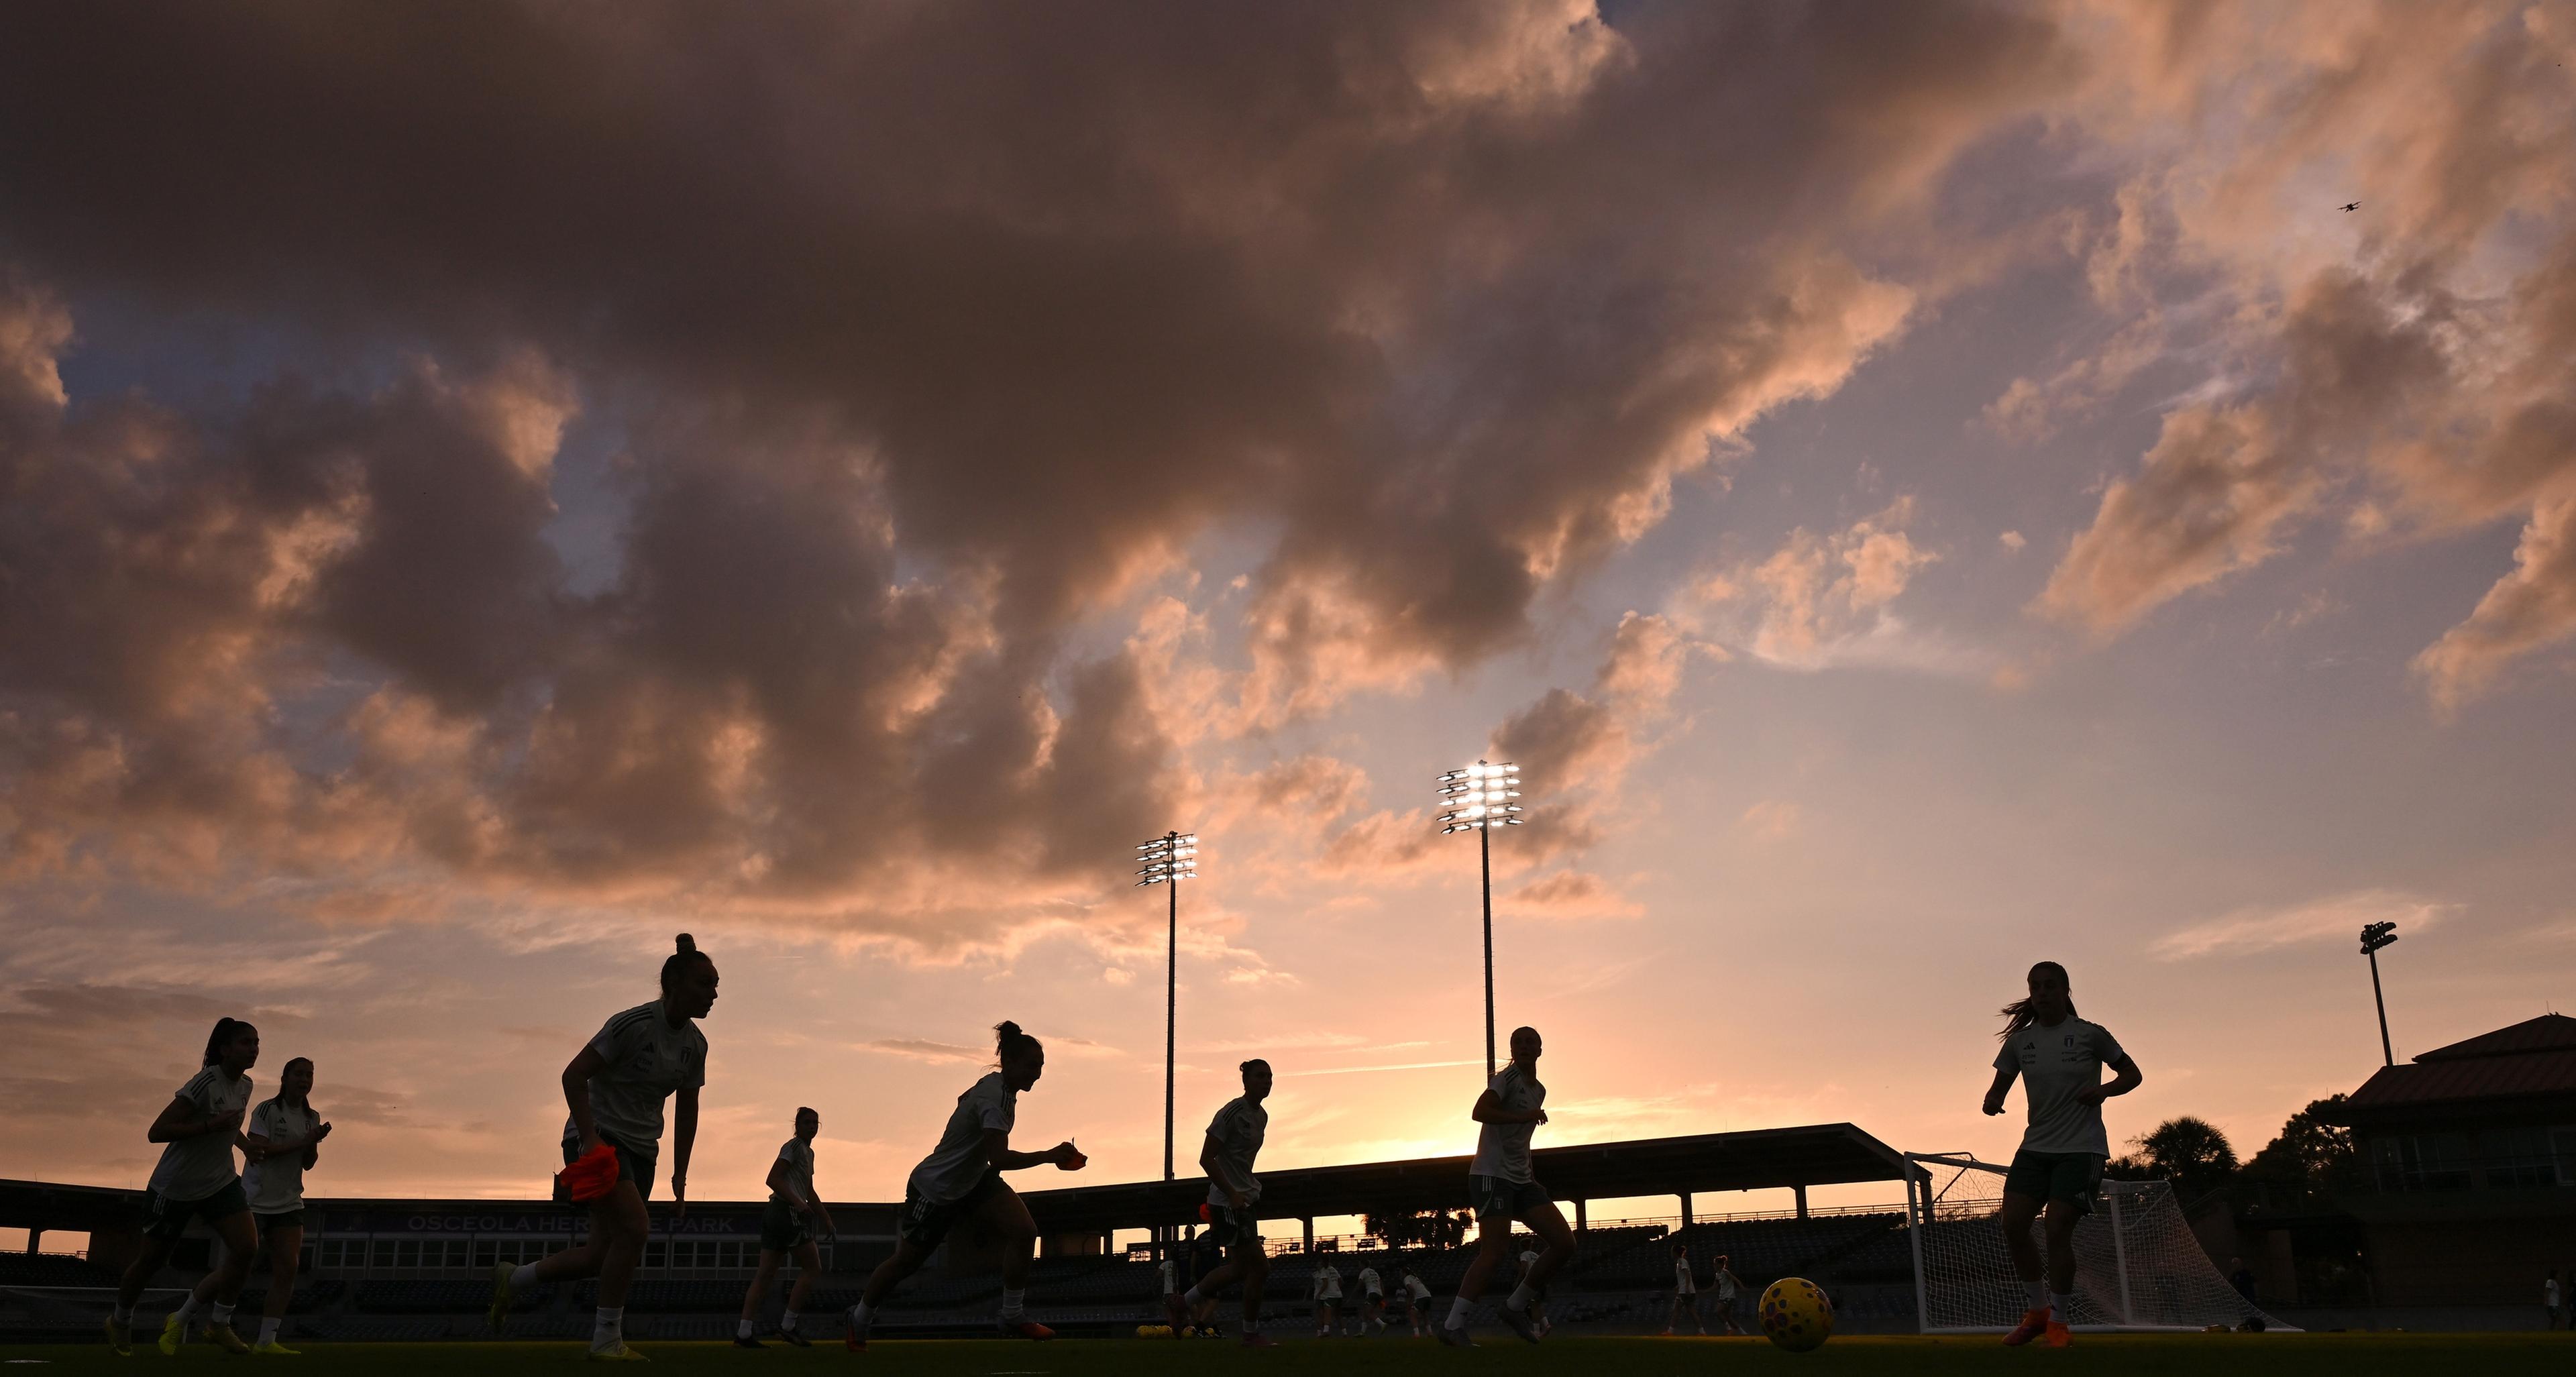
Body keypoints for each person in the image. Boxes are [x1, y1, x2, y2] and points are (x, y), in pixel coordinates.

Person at [488, 932, 718, 1360]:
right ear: (674, 984)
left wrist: (680, 1176)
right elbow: (573, 1075)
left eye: (716, 984)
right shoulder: (632, 1025)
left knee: (600, 1255)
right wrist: (591, 1139)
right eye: (705, 984)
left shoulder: (696, 1046)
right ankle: (606, 1339)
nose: (714, 994)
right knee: (635, 1229)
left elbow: (689, 1111)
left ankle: (514, 1279)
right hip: (599, 1137)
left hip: (642, 1148)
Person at [845, 1021, 1085, 1350]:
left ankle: (1013, 1314)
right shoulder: (996, 1097)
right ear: (1010, 1063)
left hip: (973, 1180)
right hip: (936, 1190)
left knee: (1025, 1231)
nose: (1038, 1074)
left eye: (1041, 1067)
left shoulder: (996, 1087)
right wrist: (1049, 1156)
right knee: (906, 1263)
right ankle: (859, 1318)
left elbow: (964, 1100)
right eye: (1033, 1066)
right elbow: (999, 1158)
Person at [1981, 960, 2142, 1350]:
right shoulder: (2021, 1042)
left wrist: (2104, 1091)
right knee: (2014, 1224)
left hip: (2081, 1149)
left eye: (2049, 985)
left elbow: (2132, 1075)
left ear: (2066, 990)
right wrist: (1992, 1100)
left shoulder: (2091, 1035)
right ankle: (2036, 1313)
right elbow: (1998, 1087)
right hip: (2035, 1148)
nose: (2041, 992)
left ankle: (2060, 1320)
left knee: (2056, 1228)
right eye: (2035, 986)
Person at [109, 1019, 263, 1357]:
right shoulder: (204, 1083)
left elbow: (229, 1124)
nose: (253, 1049)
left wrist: (244, 1146)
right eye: (245, 1043)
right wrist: (208, 1126)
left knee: (247, 1248)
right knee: (151, 1261)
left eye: (256, 1042)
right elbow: (157, 1131)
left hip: (220, 1182)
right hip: (175, 1187)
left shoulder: (247, 1085)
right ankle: (120, 1320)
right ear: (224, 1049)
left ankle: (219, 1324)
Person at [1440, 1026, 1578, 1346]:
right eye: (1518, 1042)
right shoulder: (1506, 1079)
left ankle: (1514, 1307)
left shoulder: (1539, 1090)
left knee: (1565, 1243)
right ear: (1512, 1050)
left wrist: (1530, 1172)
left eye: (1531, 1042)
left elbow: (1521, 1141)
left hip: (1522, 1179)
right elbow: (1480, 1112)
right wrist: (1522, 1116)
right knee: (1495, 1253)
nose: (1525, 1046)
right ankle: (1452, 1325)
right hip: (1492, 1175)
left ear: (1541, 1050)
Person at [1165, 1059, 1277, 1347]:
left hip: (1243, 1200)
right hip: (1227, 1202)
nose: (1266, 1081)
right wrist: (1232, 1193)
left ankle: (1181, 1303)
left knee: (1239, 1270)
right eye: (1260, 1076)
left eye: (1270, 1077)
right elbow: (1206, 1159)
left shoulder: (1261, 1116)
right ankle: (1250, 1334)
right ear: (1246, 1081)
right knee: (1260, 1269)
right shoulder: (1229, 1114)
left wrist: (1244, 1192)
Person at [242, 1056, 332, 1354]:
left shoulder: (313, 1117)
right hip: (255, 1200)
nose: (305, 1080)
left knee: (289, 1268)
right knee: (239, 1267)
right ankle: (191, 1315)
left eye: (310, 1075)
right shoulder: (267, 1109)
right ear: (284, 1078)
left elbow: (308, 1164)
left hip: (290, 1202)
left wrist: (313, 1142)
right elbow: (259, 1150)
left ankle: (266, 1341)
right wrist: (303, 1141)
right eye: (299, 1074)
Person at [737, 1107, 835, 1347]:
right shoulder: (792, 1147)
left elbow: (809, 1190)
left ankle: (744, 1333)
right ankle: (788, 1326)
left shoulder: (807, 1153)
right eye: (807, 1123)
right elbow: (773, 1179)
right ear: (797, 1127)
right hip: (784, 1211)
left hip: (778, 1213)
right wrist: (798, 1203)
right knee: (813, 1267)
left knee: (766, 1274)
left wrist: (826, 1219)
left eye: (815, 1123)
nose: (812, 1127)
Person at [1662, 1242, 1703, 1335]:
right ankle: (1702, 1332)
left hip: (1685, 1291)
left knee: (1678, 1311)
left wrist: (1687, 1288)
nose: (1671, 1253)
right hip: (1684, 1290)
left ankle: (1670, 1332)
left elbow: (1687, 1274)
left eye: (1672, 1251)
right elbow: (1684, 1277)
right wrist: (1678, 1286)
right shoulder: (1680, 1262)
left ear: (1675, 1253)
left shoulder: (1681, 1261)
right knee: (1691, 1311)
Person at [1710, 1253, 1745, 1335]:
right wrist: (1704, 1291)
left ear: (1720, 1265)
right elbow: (1714, 1287)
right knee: (1728, 1318)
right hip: (1722, 1297)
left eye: (1716, 1264)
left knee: (1717, 1312)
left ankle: (1729, 1329)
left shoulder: (1725, 1272)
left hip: (1728, 1297)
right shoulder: (1718, 1274)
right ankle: (1743, 1333)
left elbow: (1735, 1279)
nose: (1714, 1266)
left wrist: (1742, 1287)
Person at [1311, 1259, 1342, 1337]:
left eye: (1320, 1263)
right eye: (1317, 1263)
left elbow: (1327, 1283)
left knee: (1327, 1314)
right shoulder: (1315, 1274)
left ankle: (1326, 1330)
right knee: (1320, 1315)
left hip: (1326, 1296)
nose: (1318, 1265)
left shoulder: (1326, 1271)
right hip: (1319, 1297)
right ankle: (1320, 1332)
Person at [1400, 1264, 1433, 1337]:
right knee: (1425, 1314)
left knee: (1412, 1313)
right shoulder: (1415, 1277)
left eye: (1401, 1273)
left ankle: (1417, 1334)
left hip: (1420, 1297)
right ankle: (1430, 1332)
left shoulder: (1407, 1279)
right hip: (1428, 1296)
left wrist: (1410, 1302)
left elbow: (1412, 1290)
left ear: (1404, 1273)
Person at [1355, 1258, 1386, 1335]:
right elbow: (1381, 1283)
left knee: (1368, 1312)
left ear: (1363, 1265)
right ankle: (1362, 1332)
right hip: (1379, 1293)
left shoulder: (1364, 1272)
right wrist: (1382, 1295)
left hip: (1372, 1293)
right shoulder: (1375, 1272)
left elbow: (1359, 1284)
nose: (1359, 1266)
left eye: (1359, 1264)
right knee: (1365, 1312)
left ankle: (1382, 1324)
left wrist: (1354, 1293)